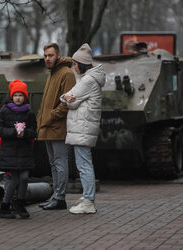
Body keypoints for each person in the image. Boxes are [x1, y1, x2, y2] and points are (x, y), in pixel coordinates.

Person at [60, 43, 105, 214]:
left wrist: (70, 99)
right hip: (83, 127)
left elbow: (67, 98)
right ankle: (88, 196)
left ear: (82, 64)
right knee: (84, 163)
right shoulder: (89, 79)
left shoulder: (87, 80)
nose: (74, 67)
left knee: (84, 164)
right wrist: (72, 100)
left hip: (83, 127)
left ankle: (88, 201)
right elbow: (72, 99)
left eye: (75, 64)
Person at [36, 43, 76, 210]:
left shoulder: (66, 74)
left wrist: (51, 116)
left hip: (57, 127)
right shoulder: (52, 73)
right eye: (45, 56)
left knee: (60, 162)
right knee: (53, 163)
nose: (47, 59)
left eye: (50, 55)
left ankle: (60, 197)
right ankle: (56, 196)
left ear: (58, 55)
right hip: (47, 127)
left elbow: (67, 102)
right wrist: (41, 119)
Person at [0, 80, 37, 219]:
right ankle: (5, 206)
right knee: (14, 179)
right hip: (10, 151)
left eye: (20, 95)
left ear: (25, 97)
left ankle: (19, 203)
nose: (18, 98)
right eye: (15, 95)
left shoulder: (29, 113)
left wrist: (26, 133)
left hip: (24, 151)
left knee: (24, 178)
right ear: (11, 96)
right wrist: (13, 132)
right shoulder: (5, 111)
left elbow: (34, 131)